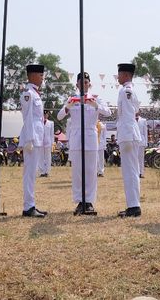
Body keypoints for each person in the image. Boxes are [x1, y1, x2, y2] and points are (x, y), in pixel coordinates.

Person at [58, 71, 112, 214]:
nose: (84, 85)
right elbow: (59, 115)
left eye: (86, 82)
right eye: (81, 83)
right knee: (77, 172)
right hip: (76, 137)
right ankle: (79, 201)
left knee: (90, 170)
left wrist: (95, 105)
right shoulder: (72, 99)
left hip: (90, 137)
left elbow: (108, 112)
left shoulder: (96, 99)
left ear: (90, 84)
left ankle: (89, 201)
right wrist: (67, 107)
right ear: (77, 84)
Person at [19, 64, 47, 218]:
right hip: (31, 138)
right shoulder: (28, 93)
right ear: (32, 75)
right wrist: (29, 138)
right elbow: (28, 117)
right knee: (29, 173)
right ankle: (28, 207)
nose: (42, 78)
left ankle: (31, 204)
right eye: (40, 75)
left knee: (32, 172)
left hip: (36, 137)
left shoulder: (35, 93)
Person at [116, 63, 142, 218]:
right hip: (129, 133)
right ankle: (133, 205)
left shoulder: (126, 91)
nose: (118, 77)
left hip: (128, 134)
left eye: (119, 74)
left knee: (130, 171)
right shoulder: (131, 91)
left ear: (125, 75)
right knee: (130, 170)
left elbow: (126, 115)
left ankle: (134, 207)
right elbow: (136, 110)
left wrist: (124, 134)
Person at [38, 112, 55, 178]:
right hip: (40, 142)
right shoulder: (39, 122)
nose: (45, 115)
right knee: (41, 157)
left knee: (48, 157)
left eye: (46, 114)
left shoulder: (51, 123)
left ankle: (47, 171)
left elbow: (52, 134)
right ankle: (42, 172)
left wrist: (52, 143)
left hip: (48, 142)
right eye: (44, 114)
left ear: (48, 115)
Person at [136, 112, 148, 179]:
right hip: (134, 141)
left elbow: (145, 132)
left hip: (141, 140)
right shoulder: (131, 119)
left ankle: (141, 172)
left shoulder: (143, 120)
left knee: (141, 158)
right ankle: (136, 172)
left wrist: (146, 142)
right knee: (135, 158)